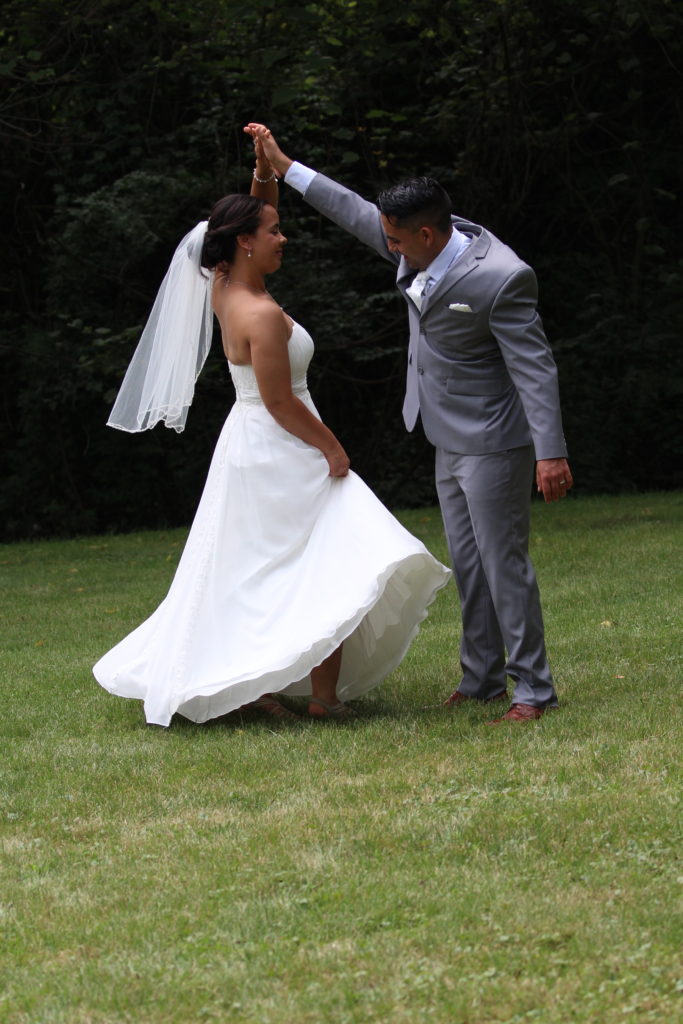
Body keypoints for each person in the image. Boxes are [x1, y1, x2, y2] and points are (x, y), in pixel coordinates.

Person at [92, 137, 451, 727]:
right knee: (335, 561)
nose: (283, 238)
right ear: (244, 243)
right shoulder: (257, 313)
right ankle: (314, 694)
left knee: (275, 571)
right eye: (275, 232)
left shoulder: (227, 285)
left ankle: (294, 688)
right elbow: (282, 401)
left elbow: (251, 215)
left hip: (253, 444)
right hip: (283, 444)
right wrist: (332, 447)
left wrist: (265, 174)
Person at [245, 123, 573, 724]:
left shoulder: (502, 277)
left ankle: (534, 690)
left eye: (395, 240)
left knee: (505, 566)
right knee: (470, 566)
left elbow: (536, 368)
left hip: (497, 443)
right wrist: (284, 167)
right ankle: (481, 680)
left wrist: (550, 453)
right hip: (445, 436)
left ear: (425, 233)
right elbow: (351, 211)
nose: (387, 246)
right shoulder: (417, 241)